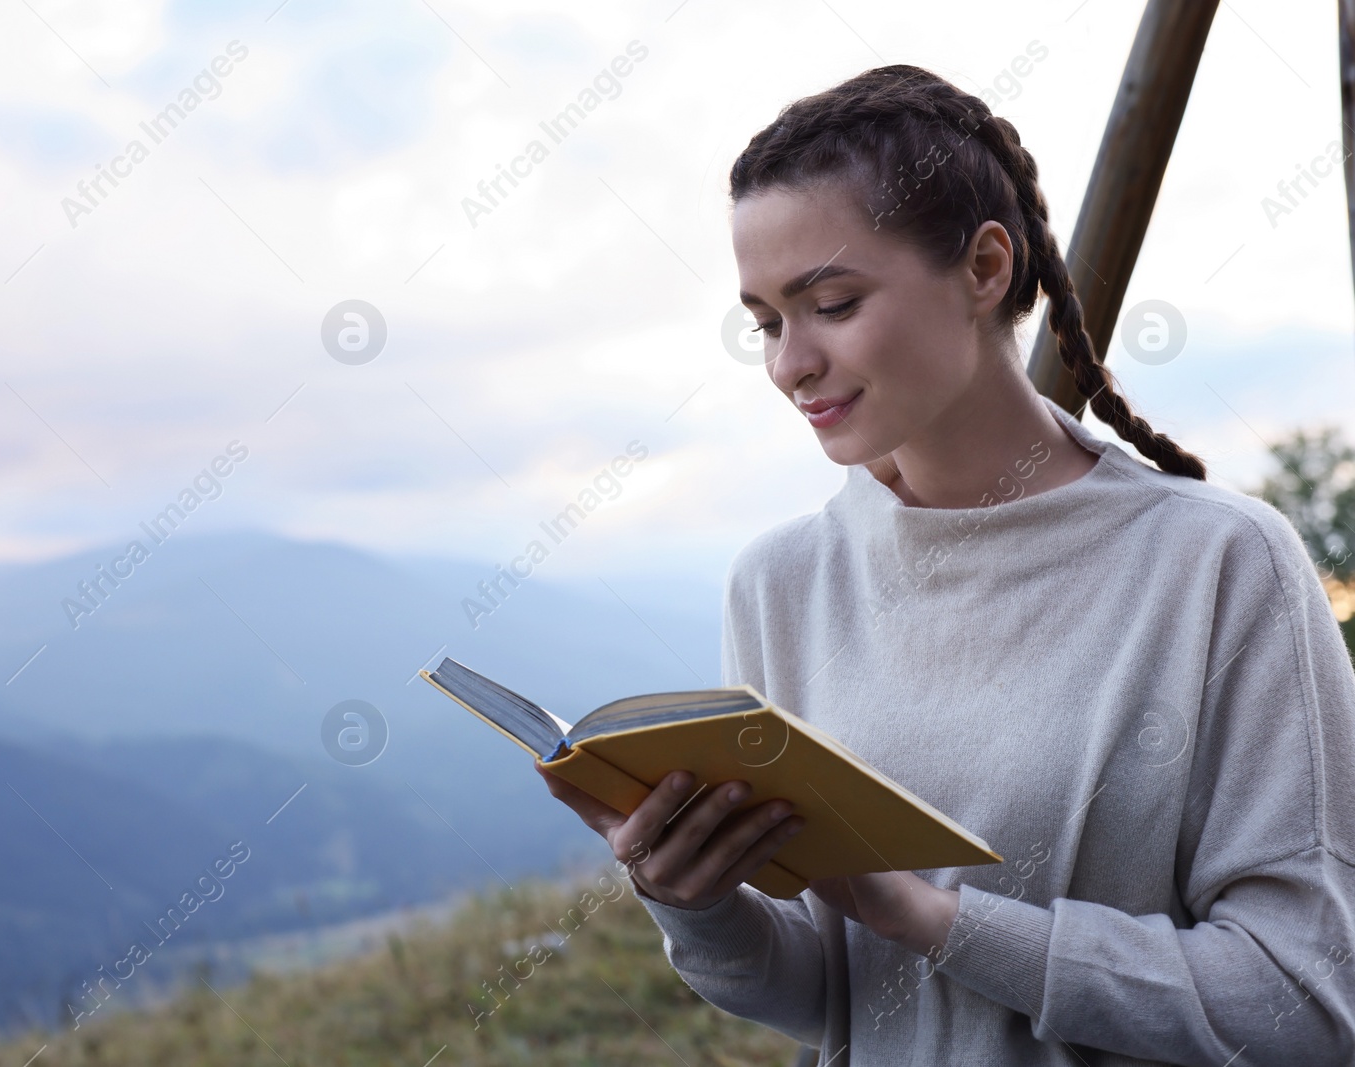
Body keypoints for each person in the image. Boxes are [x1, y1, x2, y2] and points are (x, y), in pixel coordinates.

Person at [537, 65, 1355, 1064]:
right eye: (764, 321)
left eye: (829, 302)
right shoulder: (781, 582)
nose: (788, 362)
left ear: (983, 268)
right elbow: (832, 995)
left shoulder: (1218, 563)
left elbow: (1303, 1001)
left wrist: (935, 916)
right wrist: (696, 902)